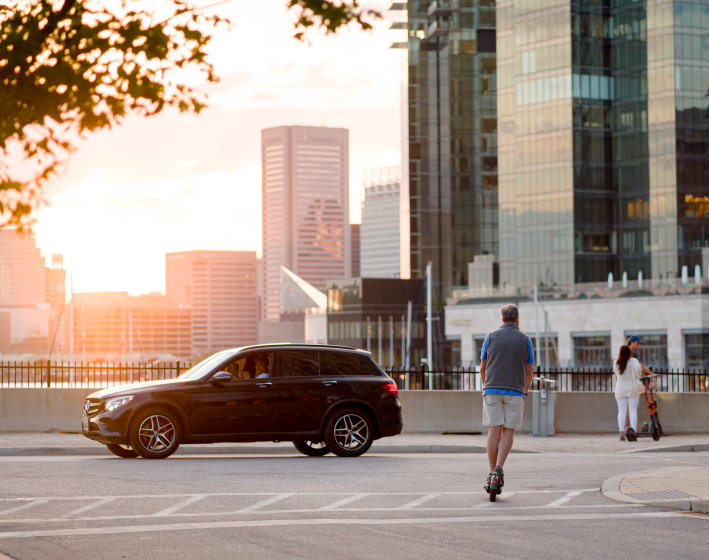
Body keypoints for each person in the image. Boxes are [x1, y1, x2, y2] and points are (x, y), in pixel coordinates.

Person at [479, 303, 534, 494]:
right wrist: (524, 390)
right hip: (515, 391)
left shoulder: (490, 337)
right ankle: (499, 469)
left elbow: (482, 368)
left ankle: (491, 473)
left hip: (492, 390)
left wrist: (486, 386)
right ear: (517, 318)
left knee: (493, 431)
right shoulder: (526, 340)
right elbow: (529, 372)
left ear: (502, 319)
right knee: (508, 431)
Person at [614, 344, 643, 440]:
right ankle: (633, 432)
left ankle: (621, 431)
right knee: (633, 410)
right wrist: (636, 377)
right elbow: (639, 369)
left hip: (620, 388)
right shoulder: (633, 361)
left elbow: (616, 373)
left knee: (621, 411)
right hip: (632, 388)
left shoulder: (616, 363)